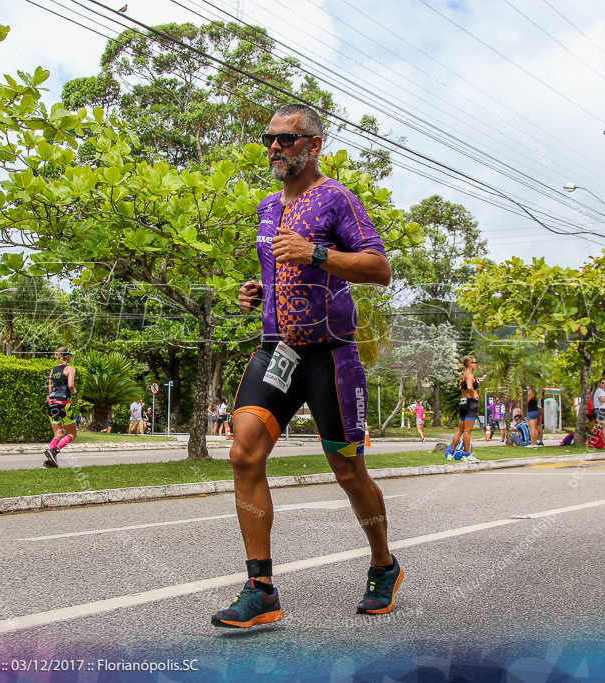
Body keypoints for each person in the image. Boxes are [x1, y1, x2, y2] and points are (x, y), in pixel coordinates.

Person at [212, 104, 400, 629]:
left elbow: (379, 268)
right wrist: (256, 290)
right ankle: (260, 588)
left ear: (314, 145)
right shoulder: (267, 207)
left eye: (287, 140)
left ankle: (383, 564)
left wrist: (317, 253)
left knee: (346, 469)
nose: (274, 147)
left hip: (330, 356)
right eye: (268, 139)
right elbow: (278, 268)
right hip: (277, 350)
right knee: (243, 454)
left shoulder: (337, 198)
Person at [445, 356, 485, 462]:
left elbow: (467, 386)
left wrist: (477, 382)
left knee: (460, 430)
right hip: (470, 403)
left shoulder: (463, 374)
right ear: (470, 364)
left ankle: (450, 453)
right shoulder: (470, 374)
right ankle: (467, 455)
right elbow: (470, 387)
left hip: (463, 402)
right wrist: (473, 395)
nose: (476, 364)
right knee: (468, 431)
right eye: (475, 362)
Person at [43, 348, 76, 468]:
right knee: (72, 433)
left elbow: (50, 389)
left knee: (57, 433)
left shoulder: (53, 370)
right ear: (67, 357)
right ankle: (55, 451)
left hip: (51, 402)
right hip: (63, 403)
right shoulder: (70, 369)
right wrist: (73, 390)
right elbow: (70, 385)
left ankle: (48, 462)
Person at [593, 378, 605, 447]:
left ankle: (600, 443)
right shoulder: (600, 391)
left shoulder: (601, 391)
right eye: (603, 383)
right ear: (600, 384)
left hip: (601, 410)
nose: (604, 384)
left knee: (600, 427)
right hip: (602, 410)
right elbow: (602, 400)